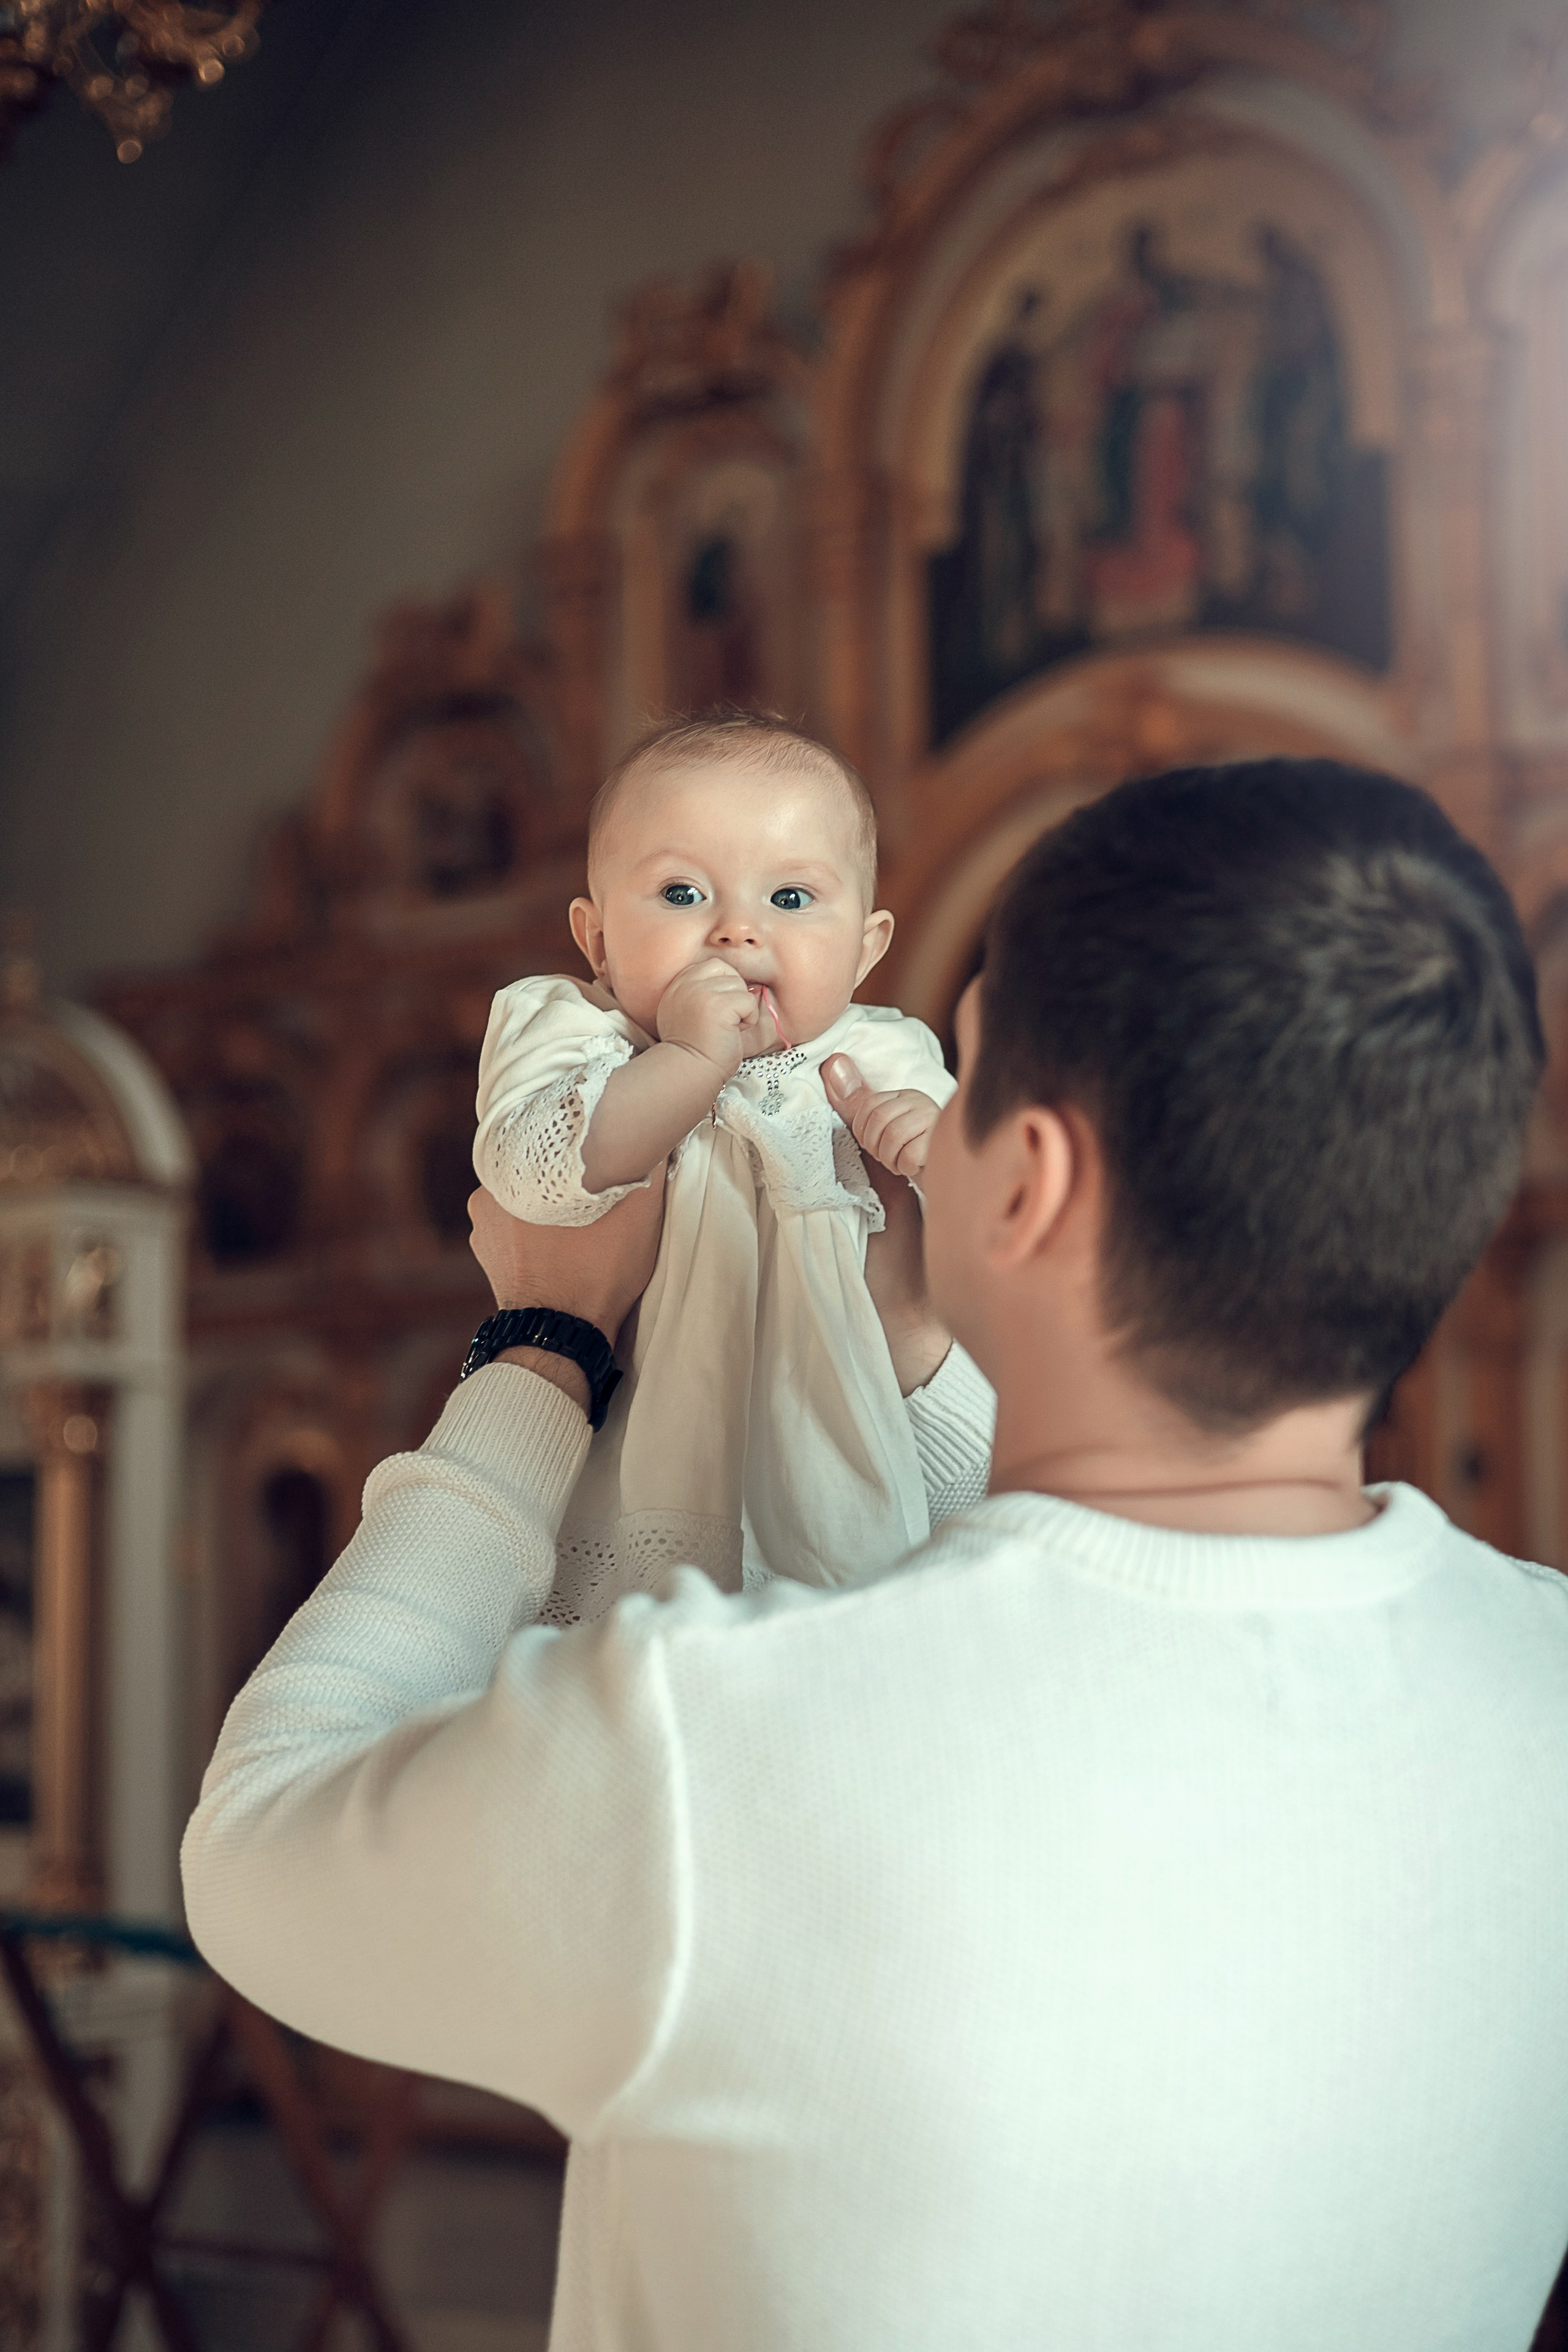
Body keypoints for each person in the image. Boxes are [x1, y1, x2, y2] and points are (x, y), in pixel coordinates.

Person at [184, 758, 1568, 2352]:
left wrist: (541, 1344)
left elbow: (263, 1849)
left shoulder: (709, 1753)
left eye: (963, 1086)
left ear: (1029, 1183)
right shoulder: (1546, 1687)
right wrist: (910, 1336)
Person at [472, 708, 979, 1619]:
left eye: (789, 900)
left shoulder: (887, 1056)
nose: (737, 935)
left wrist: (936, 1158)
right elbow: (531, 1173)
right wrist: (687, 1066)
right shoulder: (576, 1032)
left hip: (844, 1462)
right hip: (630, 1477)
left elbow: (986, 1246)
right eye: (681, 895)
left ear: (865, 950)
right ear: (595, 941)